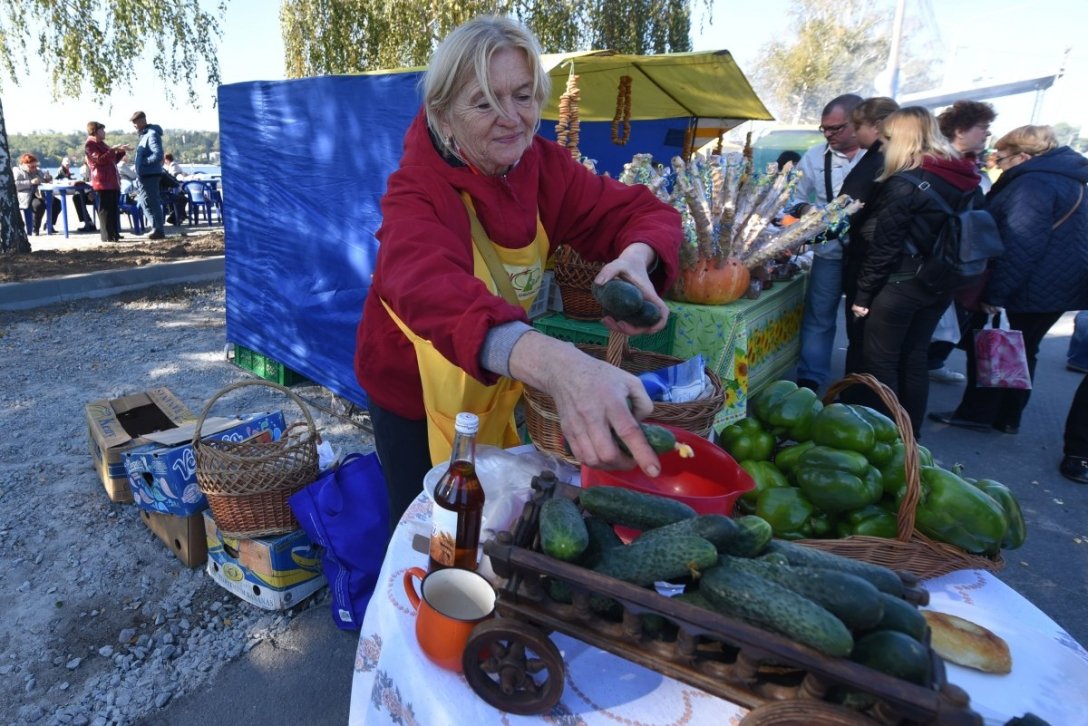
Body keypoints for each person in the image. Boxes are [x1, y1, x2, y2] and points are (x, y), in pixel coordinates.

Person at [354, 16, 682, 524]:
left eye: (524, 96)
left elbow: (644, 213)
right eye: (484, 102)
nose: (511, 118)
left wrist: (637, 257)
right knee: (425, 528)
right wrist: (561, 366)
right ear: (443, 115)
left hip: (493, 381)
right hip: (414, 397)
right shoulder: (416, 190)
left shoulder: (544, 168)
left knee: (486, 516)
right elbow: (426, 286)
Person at [929, 125, 1088, 435]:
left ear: (1023, 156)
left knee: (994, 345)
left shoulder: (1033, 184)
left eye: (1000, 158)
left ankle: (980, 413)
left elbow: (1021, 244)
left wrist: (996, 294)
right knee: (1024, 349)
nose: (996, 163)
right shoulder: (1071, 180)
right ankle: (1006, 416)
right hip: (1057, 286)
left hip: (1027, 285)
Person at [849, 106, 983, 436]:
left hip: (899, 285)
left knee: (881, 363)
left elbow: (884, 248)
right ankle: (912, 438)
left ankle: (888, 440)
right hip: (939, 284)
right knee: (914, 359)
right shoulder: (967, 179)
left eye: (888, 138)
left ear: (902, 140)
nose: (882, 145)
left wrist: (862, 296)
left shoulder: (906, 183)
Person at [787, 94, 866, 392]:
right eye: (825, 129)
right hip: (829, 251)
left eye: (837, 128)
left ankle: (857, 381)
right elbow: (792, 196)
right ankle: (810, 379)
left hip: (864, 254)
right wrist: (806, 211)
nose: (829, 135)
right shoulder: (814, 157)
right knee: (819, 314)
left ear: (858, 123)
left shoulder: (876, 156)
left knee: (860, 319)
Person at [927, 100, 997, 384]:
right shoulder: (938, 168)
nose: (986, 134)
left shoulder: (970, 170)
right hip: (933, 268)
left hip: (955, 267)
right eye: (982, 127)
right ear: (959, 130)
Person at [840, 96, 900, 375]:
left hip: (870, 262)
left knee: (864, 345)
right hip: (899, 270)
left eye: (857, 126)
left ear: (877, 126)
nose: (853, 133)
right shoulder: (899, 158)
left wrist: (807, 231)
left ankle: (856, 400)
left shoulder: (879, 158)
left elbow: (846, 210)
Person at [84, 121, 131, 243]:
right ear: (95, 131)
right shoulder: (90, 144)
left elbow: (112, 160)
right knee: (105, 210)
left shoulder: (102, 144)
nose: (104, 132)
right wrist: (112, 150)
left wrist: (120, 151)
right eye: (102, 130)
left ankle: (114, 233)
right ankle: (107, 236)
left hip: (111, 181)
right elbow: (99, 160)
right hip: (102, 182)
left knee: (113, 209)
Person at [130, 111, 166, 239]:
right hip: (144, 175)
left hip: (150, 175)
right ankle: (155, 228)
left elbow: (158, 154)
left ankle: (159, 230)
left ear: (142, 121)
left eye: (135, 122)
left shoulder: (151, 134)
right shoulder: (143, 135)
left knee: (153, 202)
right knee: (144, 202)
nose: (134, 125)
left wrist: (144, 163)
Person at [13, 153, 61, 235]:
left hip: (40, 194)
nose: (34, 168)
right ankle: (35, 228)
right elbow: (15, 185)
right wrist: (30, 182)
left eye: (35, 166)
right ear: (24, 165)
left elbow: (45, 181)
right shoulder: (18, 171)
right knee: (38, 205)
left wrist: (48, 179)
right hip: (26, 195)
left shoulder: (38, 171)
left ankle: (49, 225)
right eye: (31, 167)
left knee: (57, 203)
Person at [54, 155, 97, 233]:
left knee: (77, 198)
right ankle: (89, 222)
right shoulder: (85, 168)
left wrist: (92, 192)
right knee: (77, 197)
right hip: (93, 192)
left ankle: (89, 223)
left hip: (100, 193)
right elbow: (87, 180)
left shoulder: (96, 168)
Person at [163, 153, 188, 225]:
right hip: (164, 194)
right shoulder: (167, 168)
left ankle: (178, 216)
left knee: (178, 195)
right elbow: (172, 180)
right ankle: (176, 217)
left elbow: (173, 175)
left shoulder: (171, 166)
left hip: (161, 193)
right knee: (183, 198)